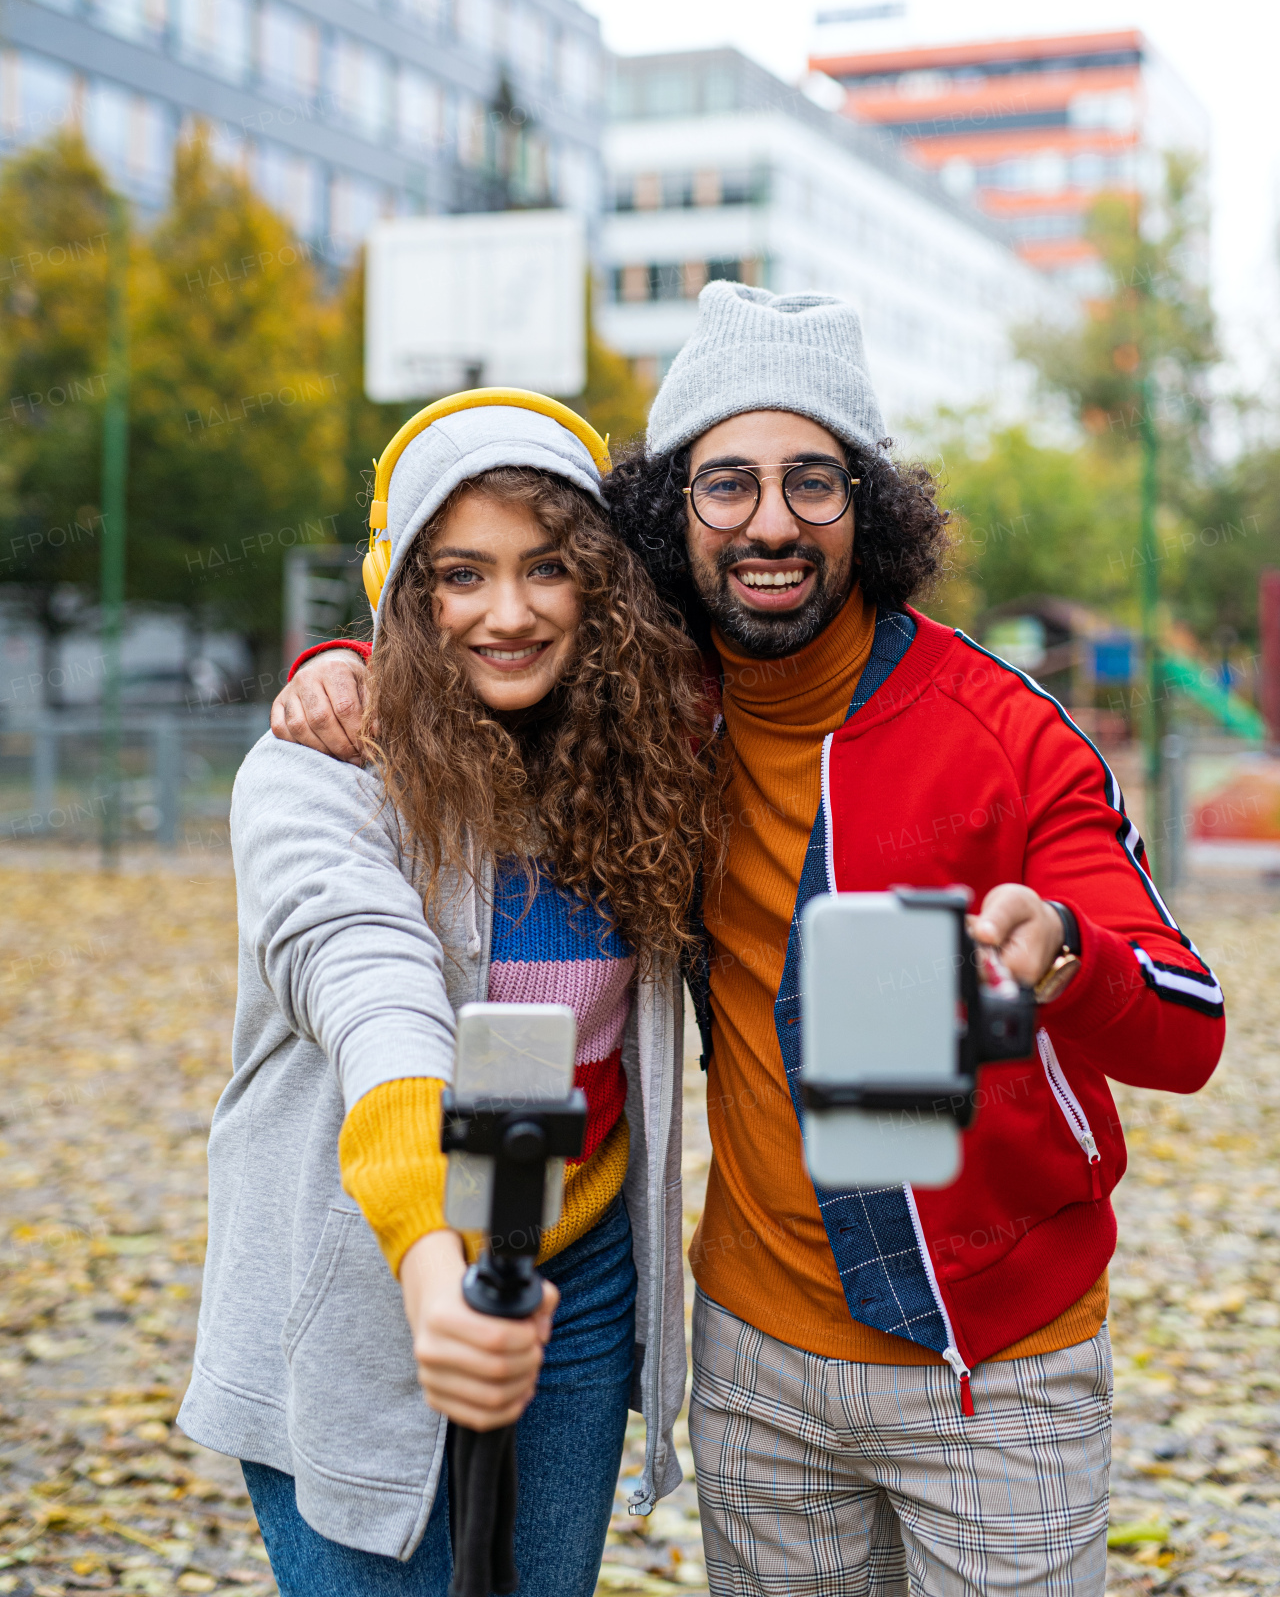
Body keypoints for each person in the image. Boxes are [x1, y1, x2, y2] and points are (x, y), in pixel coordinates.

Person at [277, 285, 1226, 1597]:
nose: (771, 520)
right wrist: (342, 662)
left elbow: (1188, 1027)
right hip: (755, 1366)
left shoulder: (1008, 731)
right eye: (728, 483)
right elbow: (482, 648)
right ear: (674, 515)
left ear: (870, 507)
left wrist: (1068, 951)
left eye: (813, 482)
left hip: (993, 1367)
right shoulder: (656, 713)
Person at [180, 391, 717, 1596]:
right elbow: (377, 1003)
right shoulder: (319, 775)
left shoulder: (655, 765)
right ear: (404, 593)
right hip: (370, 1277)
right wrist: (436, 1274)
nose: (508, 612)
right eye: (459, 574)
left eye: (547, 569)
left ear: (604, 584)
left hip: (572, 1280)